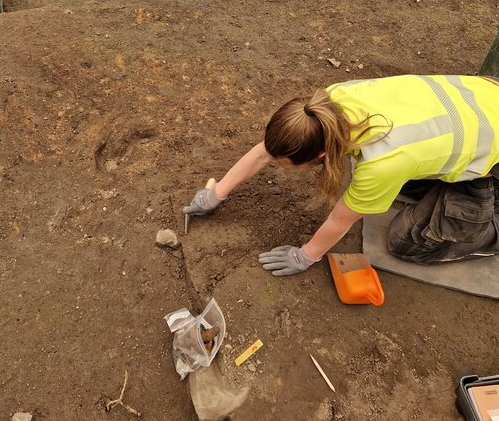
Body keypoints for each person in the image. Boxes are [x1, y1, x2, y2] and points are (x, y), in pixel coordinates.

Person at [183, 74, 499, 276]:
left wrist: (305, 256)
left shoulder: (382, 161)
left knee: (406, 242)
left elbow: (340, 220)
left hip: (491, 147)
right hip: (482, 93)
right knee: (407, 185)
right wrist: (216, 193)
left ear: (320, 156)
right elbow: (263, 152)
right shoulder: (329, 103)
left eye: (287, 165)